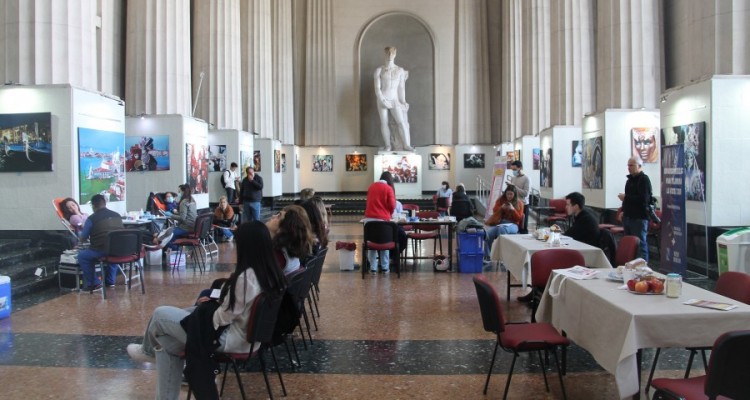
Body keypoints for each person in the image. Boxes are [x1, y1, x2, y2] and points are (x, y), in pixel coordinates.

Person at [126, 221, 287, 400]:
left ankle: (147, 352)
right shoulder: (269, 271)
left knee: (160, 314)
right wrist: (217, 300)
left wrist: (209, 307)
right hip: (248, 337)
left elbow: (222, 318)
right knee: (166, 343)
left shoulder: (247, 278)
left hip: (227, 338)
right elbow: (239, 305)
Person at [76, 194, 123, 292]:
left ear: (93, 206)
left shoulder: (91, 219)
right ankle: (110, 281)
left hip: (101, 250)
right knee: (112, 252)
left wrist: (80, 233)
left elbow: (83, 238)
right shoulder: (117, 215)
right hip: (119, 250)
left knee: (82, 256)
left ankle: (95, 283)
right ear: (105, 203)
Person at [374, 46, 413, 152]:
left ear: (395, 54)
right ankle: (388, 145)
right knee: (384, 122)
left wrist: (403, 101)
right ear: (385, 54)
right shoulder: (379, 70)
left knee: (401, 122)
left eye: (392, 53)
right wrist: (383, 100)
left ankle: (406, 144)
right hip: (383, 99)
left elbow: (401, 88)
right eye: (388, 53)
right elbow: (377, 88)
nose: (390, 55)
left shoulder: (400, 70)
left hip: (395, 99)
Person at [618, 157, 652, 261]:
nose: (629, 168)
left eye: (631, 165)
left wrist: (626, 197)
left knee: (640, 244)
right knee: (629, 244)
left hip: (639, 217)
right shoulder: (629, 181)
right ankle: (630, 265)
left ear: (639, 166)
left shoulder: (644, 179)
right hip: (628, 216)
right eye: (628, 165)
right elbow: (627, 199)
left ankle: (643, 267)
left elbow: (644, 199)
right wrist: (623, 210)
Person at [266, 205, 314, 276]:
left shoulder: (279, 255)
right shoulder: (290, 250)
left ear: (284, 227)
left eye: (278, 216)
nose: (273, 216)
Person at [364, 171, 397, 273]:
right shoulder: (388, 188)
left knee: (371, 243)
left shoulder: (371, 186)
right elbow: (392, 205)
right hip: (383, 220)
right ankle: (385, 267)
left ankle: (373, 268)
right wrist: (389, 213)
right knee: (384, 243)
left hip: (369, 221)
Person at [483, 185, 524, 263]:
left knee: (501, 230)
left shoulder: (519, 203)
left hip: (513, 225)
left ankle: (503, 257)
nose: (509, 196)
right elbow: (495, 211)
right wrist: (501, 208)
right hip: (501, 224)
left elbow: (519, 218)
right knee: (487, 234)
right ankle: (487, 256)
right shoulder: (501, 200)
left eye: (511, 194)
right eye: (507, 194)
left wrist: (513, 210)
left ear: (514, 194)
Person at [166, 184, 198, 250]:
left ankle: (180, 251)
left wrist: (171, 215)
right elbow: (187, 214)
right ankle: (179, 251)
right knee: (172, 235)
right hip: (193, 226)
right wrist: (177, 213)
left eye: (179, 191)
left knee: (167, 238)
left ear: (183, 192)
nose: (178, 193)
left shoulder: (184, 202)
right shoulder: (191, 200)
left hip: (186, 227)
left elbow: (182, 218)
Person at [508, 160, 531, 233]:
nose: (513, 171)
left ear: (520, 168)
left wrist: (514, 187)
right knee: (514, 226)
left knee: (523, 227)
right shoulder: (513, 178)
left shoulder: (526, 178)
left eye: (515, 169)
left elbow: (525, 194)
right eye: (512, 170)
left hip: (523, 205)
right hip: (514, 205)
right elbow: (513, 192)